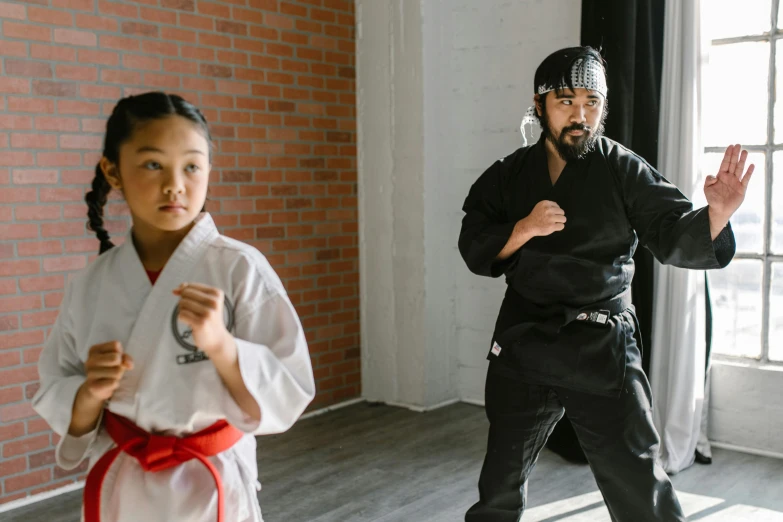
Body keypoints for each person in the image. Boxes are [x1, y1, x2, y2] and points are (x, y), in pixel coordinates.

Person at [458, 47, 753, 522]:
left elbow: (672, 229)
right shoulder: (509, 174)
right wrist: (523, 229)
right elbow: (474, 242)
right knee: (499, 485)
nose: (581, 115)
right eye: (566, 101)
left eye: (592, 102)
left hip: (601, 344)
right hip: (524, 340)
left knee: (640, 486)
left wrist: (716, 214)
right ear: (539, 105)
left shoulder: (621, 168)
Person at [32, 92, 316, 522]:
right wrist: (90, 392)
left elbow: (289, 390)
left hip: (210, 481)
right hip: (125, 478)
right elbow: (57, 383)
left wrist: (222, 347)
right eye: (152, 164)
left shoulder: (241, 268)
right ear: (113, 171)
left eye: (192, 166)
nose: (175, 184)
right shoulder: (91, 284)